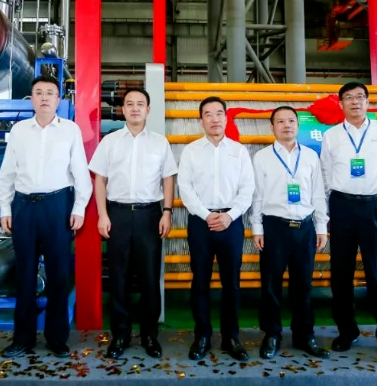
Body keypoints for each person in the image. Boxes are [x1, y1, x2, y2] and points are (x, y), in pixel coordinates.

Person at [0, 75, 93, 358]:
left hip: (57, 206)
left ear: (58, 99)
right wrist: (5, 208)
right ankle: (22, 339)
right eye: (38, 93)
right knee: (24, 274)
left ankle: (56, 338)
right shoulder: (19, 131)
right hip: (24, 207)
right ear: (32, 98)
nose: (44, 98)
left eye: (50, 93)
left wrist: (79, 208)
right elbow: (7, 172)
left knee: (58, 274)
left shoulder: (70, 130)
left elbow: (80, 172)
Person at [89, 88, 177, 359]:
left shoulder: (160, 143)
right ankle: (120, 334)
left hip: (150, 215)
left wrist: (167, 212)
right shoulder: (110, 142)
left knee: (150, 277)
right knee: (119, 277)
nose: (135, 108)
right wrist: (102, 214)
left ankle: (150, 335)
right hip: (117, 214)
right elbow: (100, 179)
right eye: (130, 104)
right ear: (123, 110)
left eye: (140, 104)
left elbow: (168, 178)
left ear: (148, 109)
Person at [320, 82, 377, 365]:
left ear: (367, 102)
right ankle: (347, 331)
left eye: (359, 97)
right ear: (340, 104)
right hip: (342, 207)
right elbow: (325, 174)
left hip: (376, 207)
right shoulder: (331, 135)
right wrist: (329, 211)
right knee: (341, 273)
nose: (354, 102)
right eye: (348, 98)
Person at [177, 96, 254, 362]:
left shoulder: (239, 151)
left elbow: (248, 189)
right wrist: (207, 215)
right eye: (208, 114)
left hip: (231, 222)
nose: (214, 119)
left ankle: (231, 337)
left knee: (231, 283)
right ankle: (202, 336)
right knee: (200, 281)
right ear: (201, 121)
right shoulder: (191, 151)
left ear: (226, 118)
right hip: (201, 222)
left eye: (219, 113)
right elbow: (185, 188)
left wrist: (229, 216)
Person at [252, 106, 329, 360]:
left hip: (305, 228)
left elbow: (318, 193)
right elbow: (257, 195)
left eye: (291, 121)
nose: (287, 125)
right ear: (272, 127)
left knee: (303, 285)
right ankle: (271, 334)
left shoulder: (310, 156)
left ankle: (304, 335)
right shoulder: (262, 157)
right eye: (281, 121)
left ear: (298, 125)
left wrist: (321, 226)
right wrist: (257, 227)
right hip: (274, 228)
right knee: (270, 285)